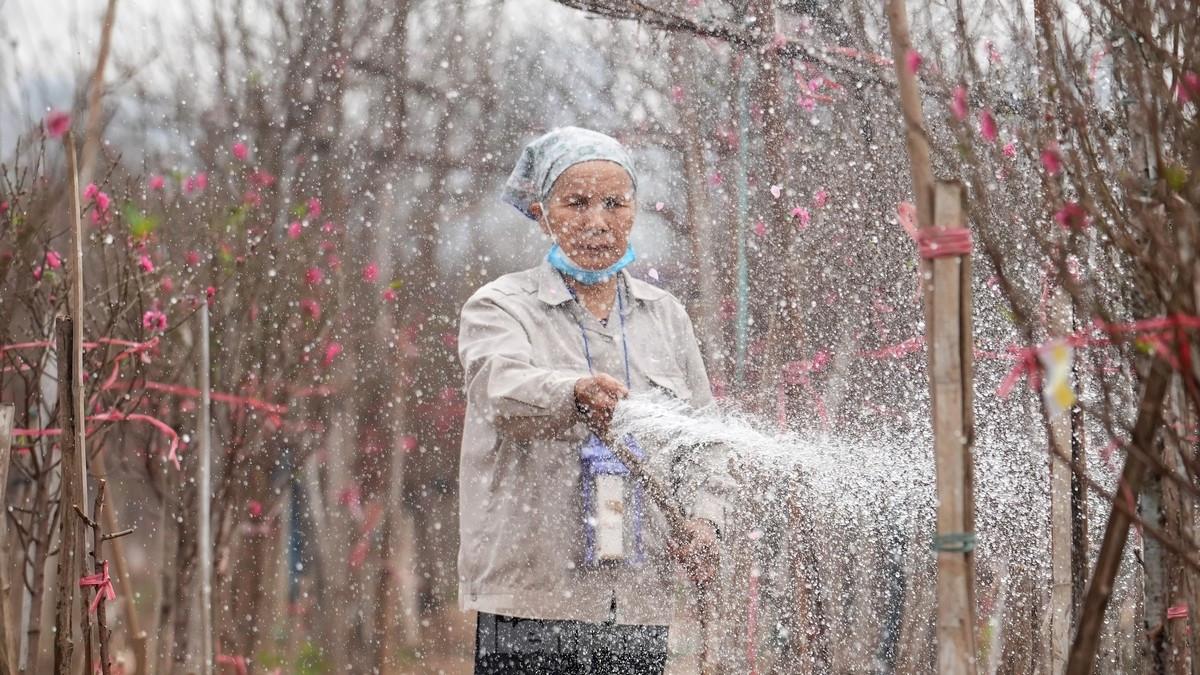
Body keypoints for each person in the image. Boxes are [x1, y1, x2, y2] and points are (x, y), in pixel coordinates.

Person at [457, 127, 727, 674]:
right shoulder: (501, 306)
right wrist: (571, 393)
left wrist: (705, 521)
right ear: (541, 212)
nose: (597, 221)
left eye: (614, 203)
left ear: (634, 211)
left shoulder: (665, 316)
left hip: (638, 603)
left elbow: (706, 442)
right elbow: (500, 388)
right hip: (532, 599)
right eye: (576, 203)